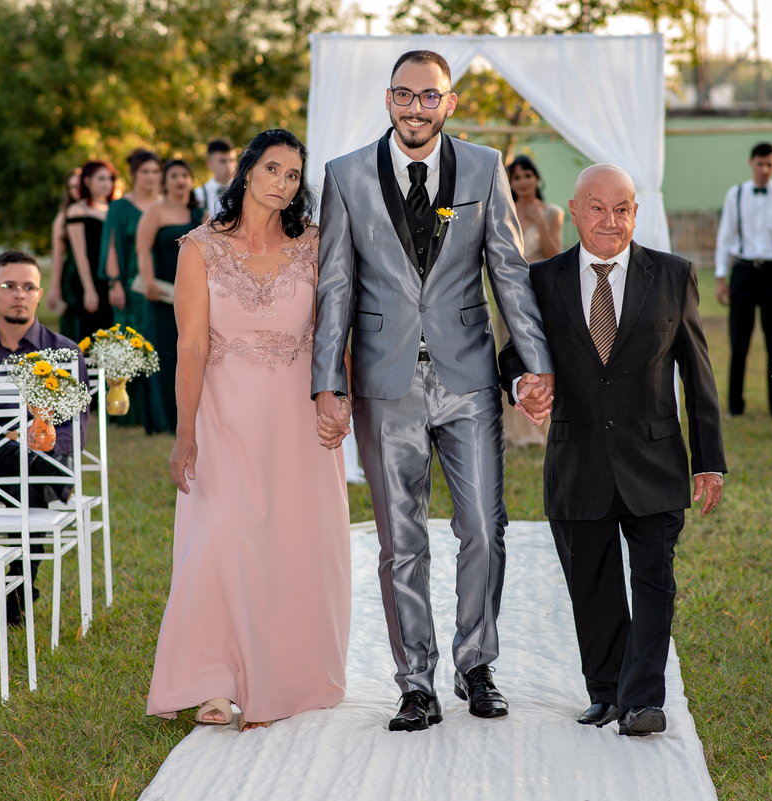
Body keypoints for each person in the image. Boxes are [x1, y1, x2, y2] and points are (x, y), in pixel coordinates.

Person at [312, 50, 553, 731]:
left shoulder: (482, 167)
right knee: (401, 539)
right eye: (403, 94)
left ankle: (476, 665)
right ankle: (415, 682)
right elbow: (335, 288)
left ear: (449, 103)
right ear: (389, 99)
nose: (415, 108)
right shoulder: (345, 175)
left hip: (468, 376)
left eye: (428, 96)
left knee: (485, 528)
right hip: (384, 381)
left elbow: (509, 271)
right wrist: (328, 383)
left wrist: (535, 364)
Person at [498, 164, 726, 736]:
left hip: (655, 461)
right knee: (592, 585)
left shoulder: (672, 274)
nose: (609, 220)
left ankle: (643, 699)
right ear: (573, 211)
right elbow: (512, 351)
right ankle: (605, 691)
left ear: (635, 214)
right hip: (576, 462)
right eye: (596, 208)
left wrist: (709, 461)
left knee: (654, 582)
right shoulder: (541, 280)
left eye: (621, 208)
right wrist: (521, 382)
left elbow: (698, 374)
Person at [148, 129, 350, 732]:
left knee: (290, 544)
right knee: (221, 538)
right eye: (272, 169)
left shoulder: (316, 244)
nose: (283, 183)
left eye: (293, 175)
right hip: (224, 417)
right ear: (246, 170)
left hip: (296, 420)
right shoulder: (199, 249)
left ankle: (282, 677)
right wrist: (185, 433)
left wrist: (337, 397)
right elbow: (190, 346)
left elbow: (334, 331)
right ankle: (215, 679)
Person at [0, 250, 90, 636]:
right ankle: (18, 596)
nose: (19, 294)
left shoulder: (64, 353)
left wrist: (38, 443)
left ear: (40, 295)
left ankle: (15, 599)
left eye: (29, 287)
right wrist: (2, 442)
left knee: (29, 475)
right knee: (13, 467)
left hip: (45, 464)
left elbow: (74, 431)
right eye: (9, 286)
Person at [714, 141, 772, 419]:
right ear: (751, 163)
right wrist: (720, 277)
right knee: (738, 339)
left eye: (769, 164)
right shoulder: (735, 194)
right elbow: (725, 237)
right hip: (743, 271)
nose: (764, 169)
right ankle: (735, 406)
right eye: (760, 163)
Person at [497, 154, 563, 448]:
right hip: (508, 295)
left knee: (538, 354)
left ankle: (542, 425)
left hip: (540, 295)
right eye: (516, 177)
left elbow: (556, 255)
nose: (523, 182)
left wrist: (539, 222)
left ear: (537, 178)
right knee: (509, 355)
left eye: (528, 175)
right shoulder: (503, 212)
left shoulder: (552, 213)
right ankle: (514, 429)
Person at [135, 158, 203, 434]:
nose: (180, 180)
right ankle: (163, 419)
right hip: (162, 294)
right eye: (174, 175)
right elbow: (142, 249)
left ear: (191, 180)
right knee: (163, 353)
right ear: (165, 182)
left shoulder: (201, 215)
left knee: (191, 353)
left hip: (194, 295)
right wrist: (149, 282)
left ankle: (192, 417)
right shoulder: (156, 211)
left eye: (184, 175)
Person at [100, 148, 162, 427]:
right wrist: (114, 283)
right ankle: (127, 411)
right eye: (145, 171)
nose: (151, 176)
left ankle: (158, 410)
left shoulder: (167, 205)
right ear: (134, 174)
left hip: (162, 286)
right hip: (130, 286)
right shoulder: (120, 207)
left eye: (156, 171)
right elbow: (112, 246)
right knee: (128, 346)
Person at [64, 160, 117, 340]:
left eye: (110, 179)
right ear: (87, 181)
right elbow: (80, 254)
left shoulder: (115, 209)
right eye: (101, 178)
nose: (107, 183)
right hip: (90, 280)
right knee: (92, 337)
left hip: (115, 281)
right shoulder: (77, 210)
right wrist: (89, 289)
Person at [46, 169, 83, 338]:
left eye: (79, 185)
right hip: (72, 277)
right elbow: (58, 255)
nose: (76, 190)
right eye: (72, 187)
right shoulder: (63, 217)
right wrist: (55, 288)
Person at [192, 137, 237, 217]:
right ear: (210, 164)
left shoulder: (244, 191)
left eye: (232, 160)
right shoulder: (199, 195)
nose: (229, 166)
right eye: (222, 161)